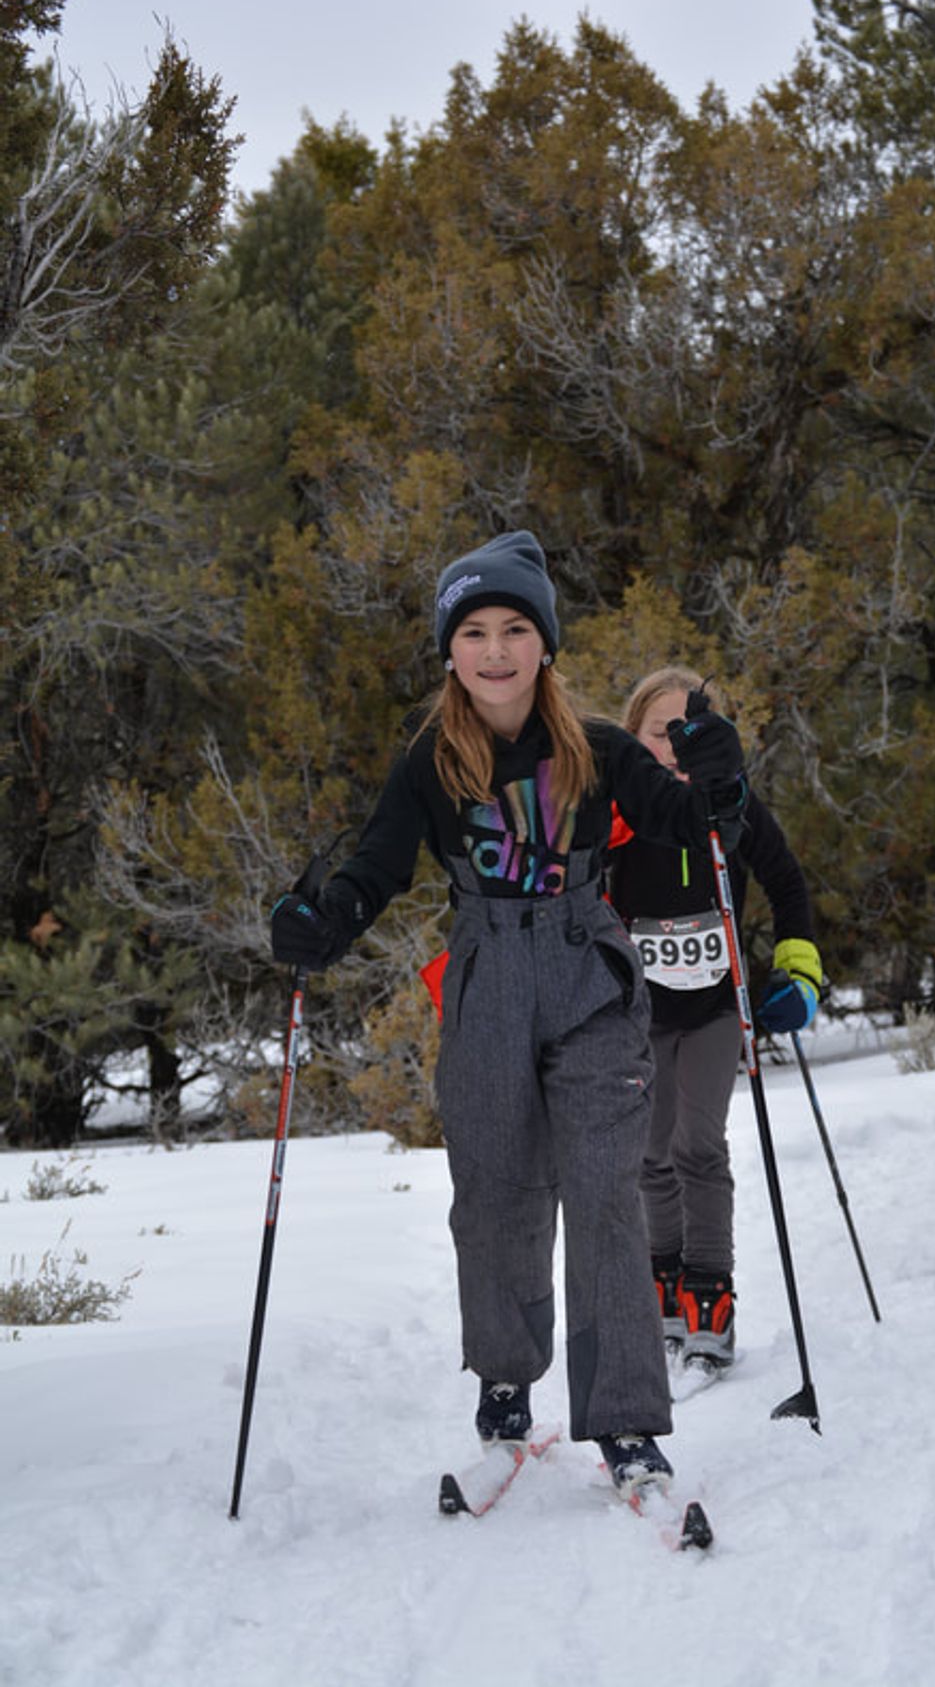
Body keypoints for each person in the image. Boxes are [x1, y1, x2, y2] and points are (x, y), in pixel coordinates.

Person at [269, 533, 748, 1494]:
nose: (495, 650)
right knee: (493, 1193)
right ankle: (504, 1381)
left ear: (545, 643)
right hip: (487, 976)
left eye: (515, 628)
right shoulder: (430, 760)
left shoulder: (602, 749)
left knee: (605, 1190)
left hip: (587, 973)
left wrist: (718, 773)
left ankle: (624, 1425)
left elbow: (695, 826)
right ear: (450, 650)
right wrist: (327, 921)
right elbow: (378, 866)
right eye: (475, 631)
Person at [606, 665, 821, 1381]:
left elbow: (787, 881)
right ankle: (661, 1285)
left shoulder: (733, 805)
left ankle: (710, 1294)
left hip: (714, 1007)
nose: (669, 748)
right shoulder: (615, 810)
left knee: (698, 1143)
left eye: (684, 733)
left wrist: (799, 975)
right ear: (630, 738)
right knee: (649, 1153)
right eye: (655, 733)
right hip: (640, 1011)